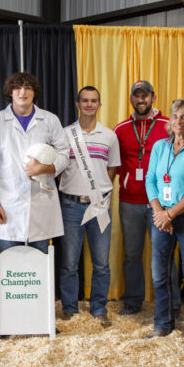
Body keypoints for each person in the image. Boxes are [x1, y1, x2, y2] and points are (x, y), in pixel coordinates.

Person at [145, 99, 184, 351]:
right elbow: (150, 180)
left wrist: (170, 214)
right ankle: (163, 324)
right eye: (175, 116)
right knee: (159, 274)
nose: (179, 121)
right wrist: (159, 212)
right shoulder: (160, 146)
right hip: (161, 216)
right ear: (170, 121)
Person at [114, 80, 181, 316]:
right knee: (132, 255)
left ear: (153, 97)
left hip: (161, 204)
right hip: (129, 201)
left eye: (145, 95)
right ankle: (133, 301)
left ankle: (172, 304)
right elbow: (115, 164)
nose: (141, 99)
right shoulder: (121, 129)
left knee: (164, 254)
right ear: (131, 99)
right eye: (137, 95)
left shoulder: (168, 125)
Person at [0, 72, 69, 253]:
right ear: (10, 92)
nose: (23, 92)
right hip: (7, 205)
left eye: (28, 88)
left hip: (41, 204)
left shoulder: (50, 120)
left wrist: (45, 168)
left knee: (40, 266)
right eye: (17, 88)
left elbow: (65, 154)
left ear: (34, 92)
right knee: (9, 265)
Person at [59, 86, 120, 328]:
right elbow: (58, 169)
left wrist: (98, 192)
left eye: (94, 101)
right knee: (69, 263)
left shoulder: (109, 136)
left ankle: (99, 307)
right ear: (77, 104)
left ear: (99, 105)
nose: (89, 104)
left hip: (99, 205)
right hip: (71, 205)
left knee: (102, 262)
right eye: (85, 100)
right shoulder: (65, 134)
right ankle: (70, 308)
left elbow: (112, 169)